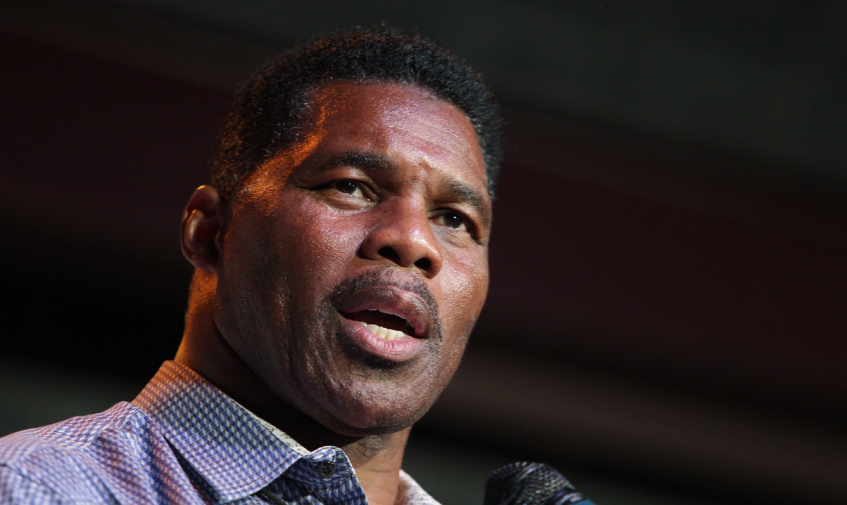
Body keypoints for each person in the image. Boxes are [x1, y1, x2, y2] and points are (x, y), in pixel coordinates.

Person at [0, 26, 501, 505]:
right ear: (211, 232)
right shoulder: (38, 488)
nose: (414, 241)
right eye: (350, 186)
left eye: (455, 219)